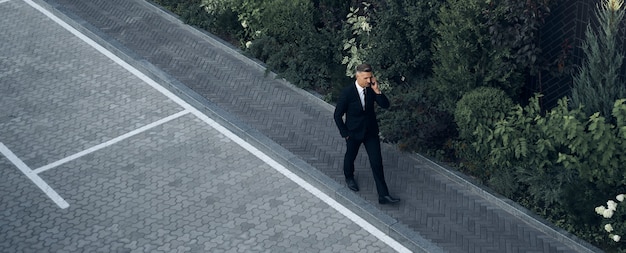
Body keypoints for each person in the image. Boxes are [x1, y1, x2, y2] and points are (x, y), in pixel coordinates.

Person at [333, 63, 400, 205]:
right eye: (366, 78)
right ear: (358, 76)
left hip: (370, 132)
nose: (369, 81)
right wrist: (345, 133)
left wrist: (377, 91)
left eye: (370, 77)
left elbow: (385, 105)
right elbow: (337, 115)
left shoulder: (371, 89)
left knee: (377, 162)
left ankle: (383, 195)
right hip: (353, 133)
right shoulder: (347, 93)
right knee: (350, 156)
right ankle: (349, 176)